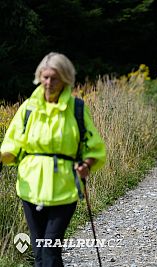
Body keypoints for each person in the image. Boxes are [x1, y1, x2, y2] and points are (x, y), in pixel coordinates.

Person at [0, 52, 106, 266]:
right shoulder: (28, 108)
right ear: (39, 77)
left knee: (50, 253)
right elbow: (12, 146)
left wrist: (87, 164)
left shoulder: (76, 109)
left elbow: (94, 147)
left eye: (54, 78)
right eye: (45, 77)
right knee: (40, 254)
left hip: (64, 190)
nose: (48, 83)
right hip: (30, 189)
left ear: (65, 79)